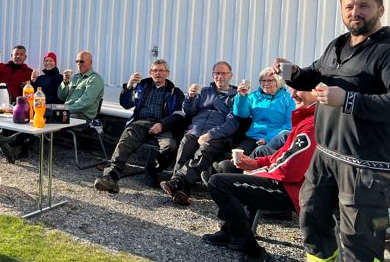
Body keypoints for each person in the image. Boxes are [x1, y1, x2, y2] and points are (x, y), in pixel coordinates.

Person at [274, 0, 390, 262]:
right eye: (349, 7)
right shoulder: (337, 45)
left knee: (359, 240)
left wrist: (349, 99)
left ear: (380, 9)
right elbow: (313, 74)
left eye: (364, 5)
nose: (356, 12)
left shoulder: (389, 50)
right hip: (325, 155)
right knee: (312, 221)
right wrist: (290, 72)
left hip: (365, 165)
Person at [202, 89, 317, 262]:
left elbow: (288, 170)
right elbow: (283, 155)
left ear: (318, 91)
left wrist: (254, 172)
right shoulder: (307, 118)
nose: (292, 95)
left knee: (218, 183)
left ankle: (251, 249)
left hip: (296, 192)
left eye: (299, 90)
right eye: (292, 90)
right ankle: (230, 232)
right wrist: (256, 164)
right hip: (289, 184)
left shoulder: (313, 124)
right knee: (230, 171)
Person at [0, 51, 103, 163]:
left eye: (82, 61)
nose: (79, 63)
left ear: (90, 62)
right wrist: (65, 82)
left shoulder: (94, 80)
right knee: (38, 111)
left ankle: (11, 142)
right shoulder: (76, 77)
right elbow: (61, 95)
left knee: (45, 116)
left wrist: (63, 109)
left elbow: (85, 103)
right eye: (77, 61)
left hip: (82, 116)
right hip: (68, 111)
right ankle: (16, 148)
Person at [94, 59, 185, 193]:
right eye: (155, 70)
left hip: (162, 125)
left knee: (170, 146)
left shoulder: (175, 92)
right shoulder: (142, 86)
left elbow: (179, 115)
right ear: (150, 72)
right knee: (126, 141)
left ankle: (153, 170)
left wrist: (162, 124)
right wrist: (129, 86)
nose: (158, 73)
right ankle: (111, 178)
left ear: (167, 73)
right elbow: (126, 104)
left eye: (161, 70)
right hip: (140, 122)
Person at [160, 61, 238, 206]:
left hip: (218, 136)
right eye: (217, 73)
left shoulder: (235, 97)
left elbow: (232, 123)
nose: (220, 77)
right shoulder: (205, 92)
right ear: (213, 75)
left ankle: (176, 182)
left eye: (223, 73)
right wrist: (190, 97)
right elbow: (189, 112)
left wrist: (211, 134)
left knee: (204, 151)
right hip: (195, 131)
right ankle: (181, 190)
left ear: (230, 75)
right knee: (185, 146)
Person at [232, 68, 296, 155]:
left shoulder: (288, 99)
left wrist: (267, 138)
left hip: (275, 139)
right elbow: (242, 114)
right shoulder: (253, 96)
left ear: (277, 81)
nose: (266, 83)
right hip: (254, 136)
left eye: (270, 80)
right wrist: (242, 97)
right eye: (263, 80)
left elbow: (289, 125)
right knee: (238, 157)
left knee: (257, 158)